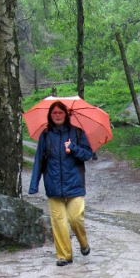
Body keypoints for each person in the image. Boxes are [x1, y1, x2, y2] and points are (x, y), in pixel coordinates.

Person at [29, 100, 94, 267]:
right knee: (58, 222)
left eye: (60, 112)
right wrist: (33, 185)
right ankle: (64, 255)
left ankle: (83, 242)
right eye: (54, 113)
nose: (57, 115)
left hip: (75, 184)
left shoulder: (77, 133)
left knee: (75, 218)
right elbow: (39, 160)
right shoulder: (45, 135)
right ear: (50, 116)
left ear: (66, 115)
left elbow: (88, 154)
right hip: (53, 185)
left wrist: (73, 148)